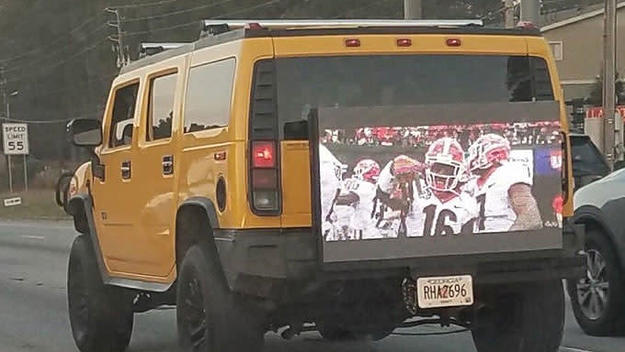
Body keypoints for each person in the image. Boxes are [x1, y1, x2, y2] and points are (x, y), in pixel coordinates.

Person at [466, 133, 542, 232]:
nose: (473, 158)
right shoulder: (473, 183)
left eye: (477, 153)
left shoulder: (508, 173)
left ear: (493, 155)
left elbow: (531, 219)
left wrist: (506, 241)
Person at [405, 138, 478, 237]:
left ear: (460, 172)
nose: (441, 174)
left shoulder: (468, 203)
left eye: (447, 170)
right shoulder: (416, 188)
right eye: (437, 168)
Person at [332, 159, 381, 240]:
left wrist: (331, 199)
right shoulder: (350, 181)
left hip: (364, 231)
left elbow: (351, 198)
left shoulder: (369, 187)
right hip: (350, 227)